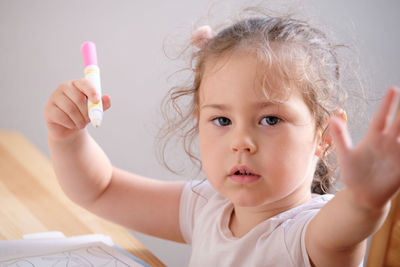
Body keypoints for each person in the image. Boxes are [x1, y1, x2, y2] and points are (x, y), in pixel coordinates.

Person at [44, 9, 400, 267]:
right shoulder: (206, 207)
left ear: (323, 136)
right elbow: (100, 190)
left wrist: (366, 199)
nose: (241, 141)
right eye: (222, 119)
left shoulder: (309, 233)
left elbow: (351, 223)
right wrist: (67, 137)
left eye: (270, 119)